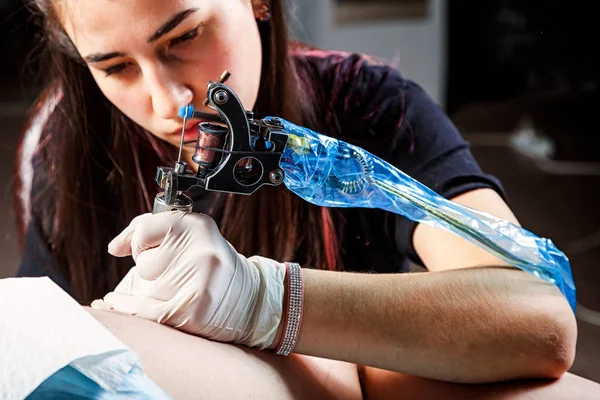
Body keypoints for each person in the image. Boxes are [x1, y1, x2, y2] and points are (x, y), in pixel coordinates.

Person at [13, 0, 591, 394]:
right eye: (115, 67)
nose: (169, 101)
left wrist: (261, 301)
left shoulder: (368, 106)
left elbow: (535, 316)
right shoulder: (65, 146)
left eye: (185, 36)